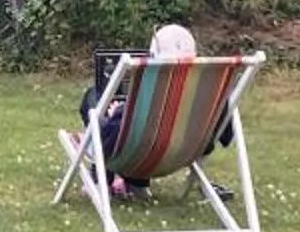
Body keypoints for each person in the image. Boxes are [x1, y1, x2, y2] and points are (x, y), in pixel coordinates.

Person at [69, 22, 227, 201]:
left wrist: (116, 113)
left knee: (93, 98)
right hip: (185, 153)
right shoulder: (212, 91)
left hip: (138, 152)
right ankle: (137, 185)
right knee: (126, 123)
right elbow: (225, 133)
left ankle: (99, 179)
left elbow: (118, 132)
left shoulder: (150, 93)